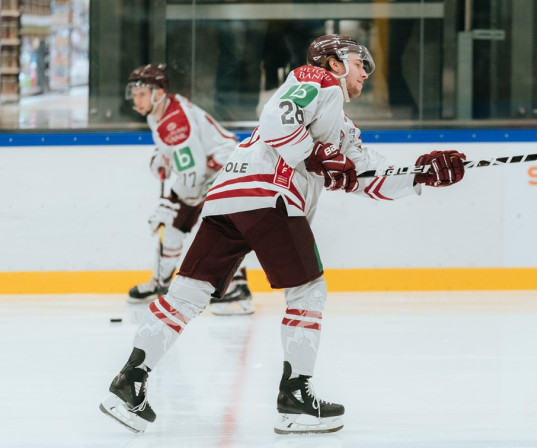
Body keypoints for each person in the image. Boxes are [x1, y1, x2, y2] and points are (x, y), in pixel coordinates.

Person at [100, 35, 466, 435]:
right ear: (334, 62)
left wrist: (420, 174)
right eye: (360, 61)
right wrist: (312, 155)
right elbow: (276, 116)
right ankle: (295, 399)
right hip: (268, 197)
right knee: (308, 293)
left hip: (226, 197)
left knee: (186, 294)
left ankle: (127, 383)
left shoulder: (341, 127)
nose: (366, 70)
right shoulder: (317, 79)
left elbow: (368, 177)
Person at [125, 63, 254, 316]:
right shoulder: (160, 112)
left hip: (222, 170)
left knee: (217, 229)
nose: (136, 99)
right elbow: (181, 156)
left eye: (141, 93)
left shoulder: (175, 123)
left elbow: (192, 174)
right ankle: (161, 283)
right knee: (177, 227)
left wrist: (171, 201)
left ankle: (239, 289)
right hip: (208, 169)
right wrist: (161, 158)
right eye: (135, 93)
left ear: (158, 93)